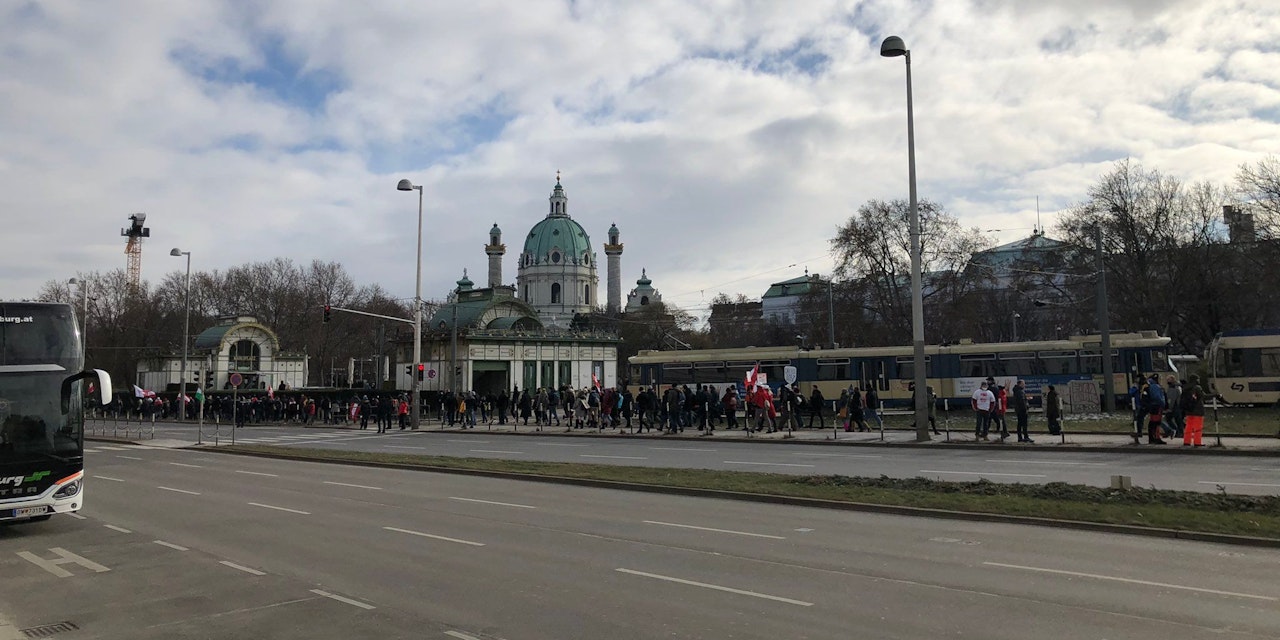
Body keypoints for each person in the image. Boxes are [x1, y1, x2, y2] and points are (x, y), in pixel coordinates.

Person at [1182, 374, 1206, 447]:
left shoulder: (1186, 387)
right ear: (1196, 380)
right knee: (1198, 427)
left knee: (1188, 426)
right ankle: (1197, 442)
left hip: (1189, 410)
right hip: (1198, 410)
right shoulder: (1197, 387)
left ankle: (1187, 441)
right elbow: (1204, 396)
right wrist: (1215, 395)